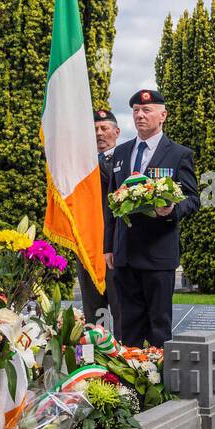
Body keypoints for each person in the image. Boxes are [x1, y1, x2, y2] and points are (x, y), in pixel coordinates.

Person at [104, 89, 199, 348]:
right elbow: (112, 201)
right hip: (125, 254)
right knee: (127, 327)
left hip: (158, 253)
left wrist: (171, 209)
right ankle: (129, 385)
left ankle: (159, 383)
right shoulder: (121, 154)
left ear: (163, 115)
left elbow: (192, 199)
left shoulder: (179, 154)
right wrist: (108, 247)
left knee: (159, 327)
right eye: (135, 110)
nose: (139, 115)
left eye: (146, 110)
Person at [78, 108, 121, 331]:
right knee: (93, 311)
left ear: (117, 131)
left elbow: (113, 179)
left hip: (113, 245)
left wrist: (91, 162)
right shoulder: (79, 165)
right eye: (94, 129)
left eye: (104, 128)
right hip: (87, 245)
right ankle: (93, 358)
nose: (99, 133)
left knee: (120, 308)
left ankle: (124, 357)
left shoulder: (124, 157)